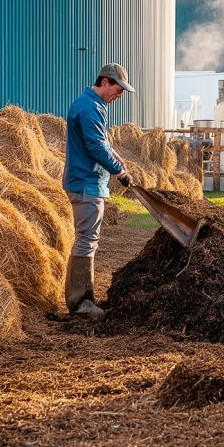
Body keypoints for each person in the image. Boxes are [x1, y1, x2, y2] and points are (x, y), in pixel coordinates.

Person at [62, 63, 133, 315]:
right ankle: (80, 302)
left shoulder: (93, 105)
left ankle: (82, 298)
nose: (120, 95)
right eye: (118, 89)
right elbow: (95, 147)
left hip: (91, 182)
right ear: (104, 82)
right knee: (86, 240)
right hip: (86, 183)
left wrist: (114, 154)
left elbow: (100, 141)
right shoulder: (89, 107)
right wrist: (119, 171)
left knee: (88, 240)